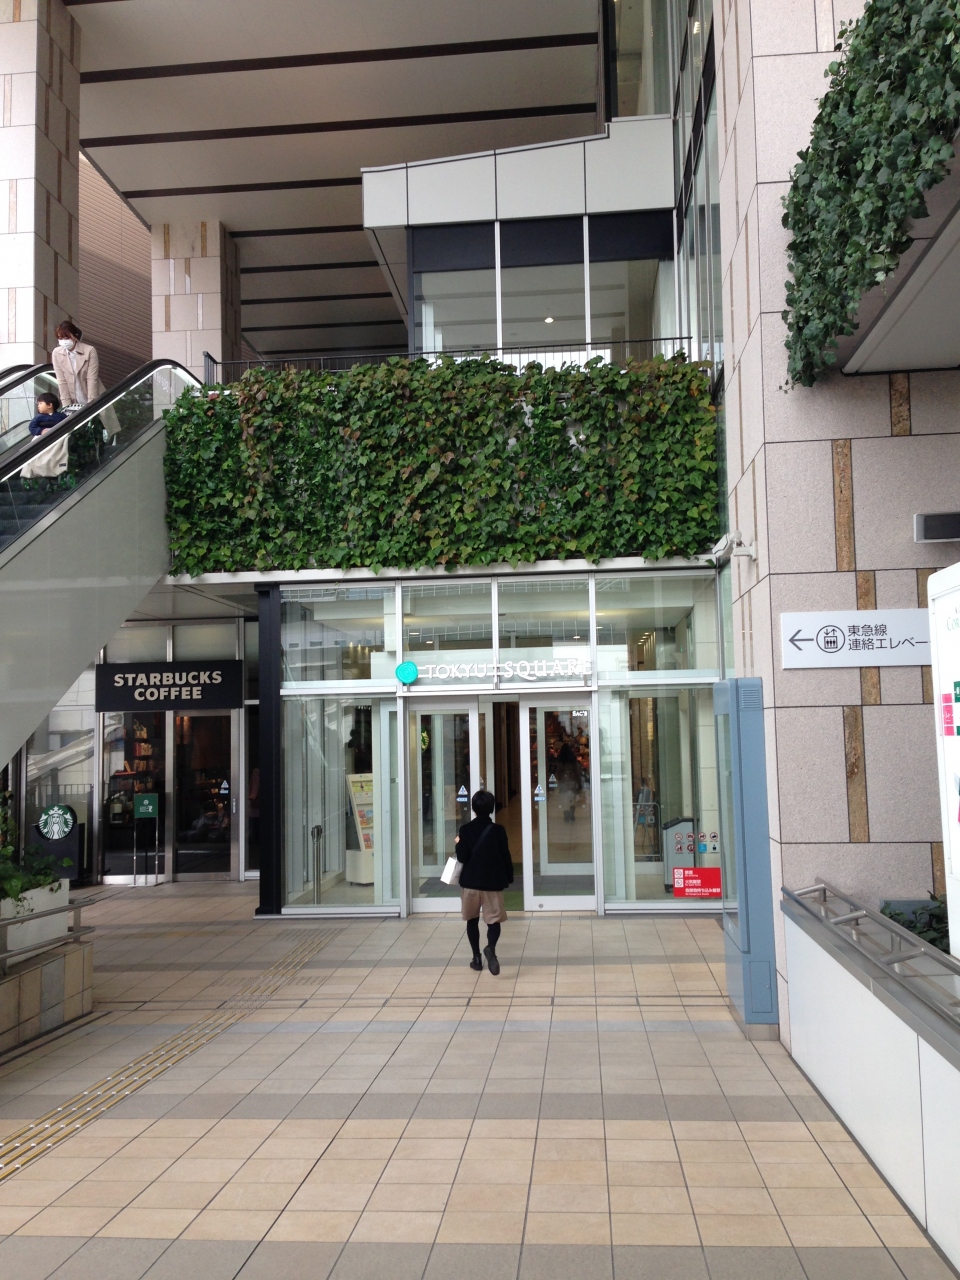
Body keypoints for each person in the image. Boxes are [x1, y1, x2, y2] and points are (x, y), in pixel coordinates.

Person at [456, 789, 514, 975]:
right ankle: (491, 949)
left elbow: (462, 857)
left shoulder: (465, 830)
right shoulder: (498, 831)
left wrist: (458, 843)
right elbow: (505, 856)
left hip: (470, 883)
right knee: (493, 921)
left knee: (471, 920)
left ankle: (476, 958)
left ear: (473, 808)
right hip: (491, 884)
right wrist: (509, 877)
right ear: (492, 808)